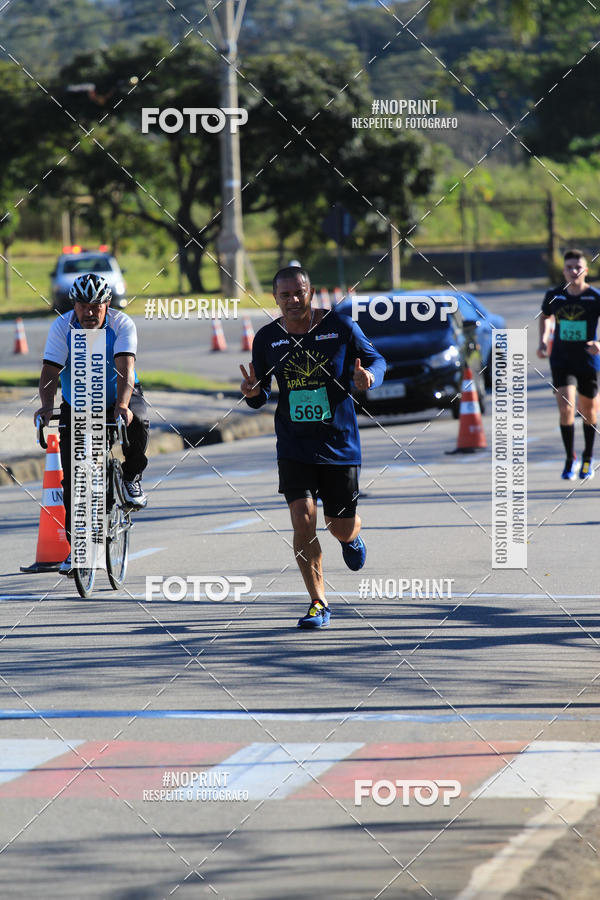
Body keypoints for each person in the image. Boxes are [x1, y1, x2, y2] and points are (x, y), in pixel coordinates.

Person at [240, 266, 385, 628]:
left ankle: (352, 538)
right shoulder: (267, 338)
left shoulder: (340, 327)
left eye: (299, 293)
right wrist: (254, 394)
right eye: (284, 295)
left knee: (339, 526)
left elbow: (377, 360)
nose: (292, 300)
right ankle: (318, 603)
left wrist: (369, 378)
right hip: (294, 444)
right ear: (275, 298)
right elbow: (260, 392)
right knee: (302, 518)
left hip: (339, 442)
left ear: (311, 292)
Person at [34, 273, 149, 574]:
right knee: (73, 479)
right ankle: (77, 551)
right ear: (73, 304)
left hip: (119, 394)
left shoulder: (121, 324)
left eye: (95, 306)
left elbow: (125, 367)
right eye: (82, 305)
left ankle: (131, 477)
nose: (88, 312)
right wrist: (46, 408)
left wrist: (122, 406)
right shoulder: (63, 327)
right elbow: (50, 373)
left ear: (107, 305)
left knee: (139, 421)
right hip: (79, 402)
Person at [538, 249, 600, 480]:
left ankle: (587, 457)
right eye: (569, 267)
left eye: (578, 267)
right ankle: (569, 458)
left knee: (589, 411)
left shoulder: (595, 297)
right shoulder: (554, 296)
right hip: (562, 361)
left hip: (587, 360)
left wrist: (599, 343)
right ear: (563, 271)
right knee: (565, 409)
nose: (574, 271)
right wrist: (544, 340)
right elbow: (545, 316)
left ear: (586, 270)